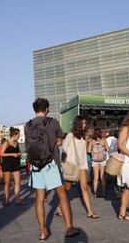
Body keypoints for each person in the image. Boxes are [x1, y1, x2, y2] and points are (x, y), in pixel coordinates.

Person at [24, 98, 82, 240]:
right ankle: (69, 228)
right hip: (51, 163)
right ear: (47, 109)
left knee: (39, 197)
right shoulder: (53, 122)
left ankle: (43, 231)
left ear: (35, 109)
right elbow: (60, 139)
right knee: (62, 194)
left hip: (36, 165)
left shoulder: (28, 125)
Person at [62, 116, 98, 219]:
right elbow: (64, 150)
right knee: (67, 189)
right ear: (78, 124)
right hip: (72, 166)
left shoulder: (83, 136)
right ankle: (60, 208)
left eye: (85, 123)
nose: (85, 125)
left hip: (82, 165)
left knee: (85, 188)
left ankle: (90, 211)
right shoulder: (70, 135)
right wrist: (63, 165)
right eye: (83, 123)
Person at [0, 127, 24, 206]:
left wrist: (19, 154)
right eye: (18, 135)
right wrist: (12, 154)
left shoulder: (17, 143)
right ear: (14, 135)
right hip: (7, 164)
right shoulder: (6, 143)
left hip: (16, 163)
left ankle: (17, 199)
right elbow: (1, 154)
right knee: (7, 183)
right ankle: (7, 200)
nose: (19, 136)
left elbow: (18, 151)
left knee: (18, 182)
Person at [88, 128, 109, 198]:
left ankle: (95, 193)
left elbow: (88, 150)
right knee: (102, 176)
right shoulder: (103, 141)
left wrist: (93, 153)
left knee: (96, 177)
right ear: (100, 133)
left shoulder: (91, 141)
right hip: (103, 160)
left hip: (94, 161)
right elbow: (108, 149)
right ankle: (104, 193)